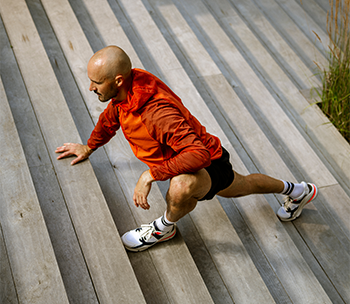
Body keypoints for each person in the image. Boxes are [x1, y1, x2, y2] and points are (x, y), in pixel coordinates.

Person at [55, 46, 318, 252]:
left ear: (119, 80)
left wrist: (150, 175)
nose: (91, 87)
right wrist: (87, 148)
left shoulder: (157, 114)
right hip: (199, 155)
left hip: (207, 163)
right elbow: (109, 120)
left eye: (96, 82)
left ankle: (164, 228)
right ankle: (299, 191)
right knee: (246, 185)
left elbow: (198, 155)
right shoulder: (127, 93)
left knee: (181, 188)